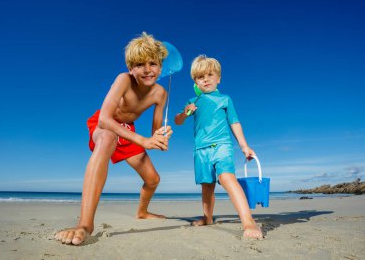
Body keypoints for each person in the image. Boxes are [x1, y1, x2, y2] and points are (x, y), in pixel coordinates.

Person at [55, 32, 173, 245]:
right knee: (109, 136)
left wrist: (159, 136)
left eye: (153, 63)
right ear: (131, 68)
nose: (147, 69)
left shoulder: (161, 94)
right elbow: (104, 120)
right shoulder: (123, 80)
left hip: (128, 131)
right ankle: (85, 224)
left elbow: (154, 131)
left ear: (161, 67)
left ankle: (142, 212)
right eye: (139, 64)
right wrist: (143, 140)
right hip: (106, 125)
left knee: (153, 179)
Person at [174, 55, 263, 239]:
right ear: (195, 82)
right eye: (200, 77)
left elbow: (235, 123)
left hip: (222, 145)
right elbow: (178, 121)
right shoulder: (193, 101)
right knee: (207, 186)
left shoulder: (225, 100)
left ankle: (248, 222)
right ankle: (208, 218)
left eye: (209, 75)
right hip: (201, 150)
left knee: (227, 177)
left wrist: (244, 146)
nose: (205, 79)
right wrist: (185, 112)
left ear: (218, 78)